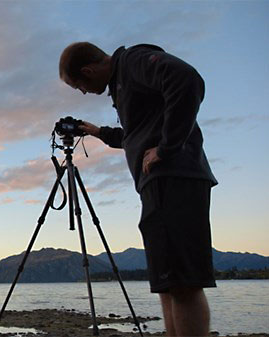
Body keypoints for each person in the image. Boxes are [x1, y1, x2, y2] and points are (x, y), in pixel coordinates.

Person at [59, 42, 218, 337]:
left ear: (88, 70)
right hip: (159, 184)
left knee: (182, 282)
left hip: (173, 178)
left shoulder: (133, 62)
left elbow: (186, 79)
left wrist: (167, 148)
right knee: (169, 284)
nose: (82, 92)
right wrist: (98, 132)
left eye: (78, 86)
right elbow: (135, 136)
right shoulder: (124, 83)